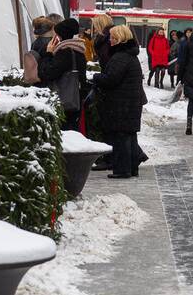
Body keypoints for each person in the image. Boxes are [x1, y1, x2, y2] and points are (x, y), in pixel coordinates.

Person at [92, 25, 145, 179]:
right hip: (130, 102)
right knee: (129, 135)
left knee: (121, 137)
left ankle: (122, 170)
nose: (110, 40)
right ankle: (132, 168)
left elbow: (111, 79)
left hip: (121, 104)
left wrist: (96, 77)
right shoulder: (130, 55)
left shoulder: (120, 56)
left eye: (113, 38)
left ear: (120, 39)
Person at [37, 18, 88, 131]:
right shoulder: (79, 50)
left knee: (65, 133)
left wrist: (48, 54)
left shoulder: (65, 52)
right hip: (75, 99)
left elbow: (47, 73)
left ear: (60, 36)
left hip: (64, 102)